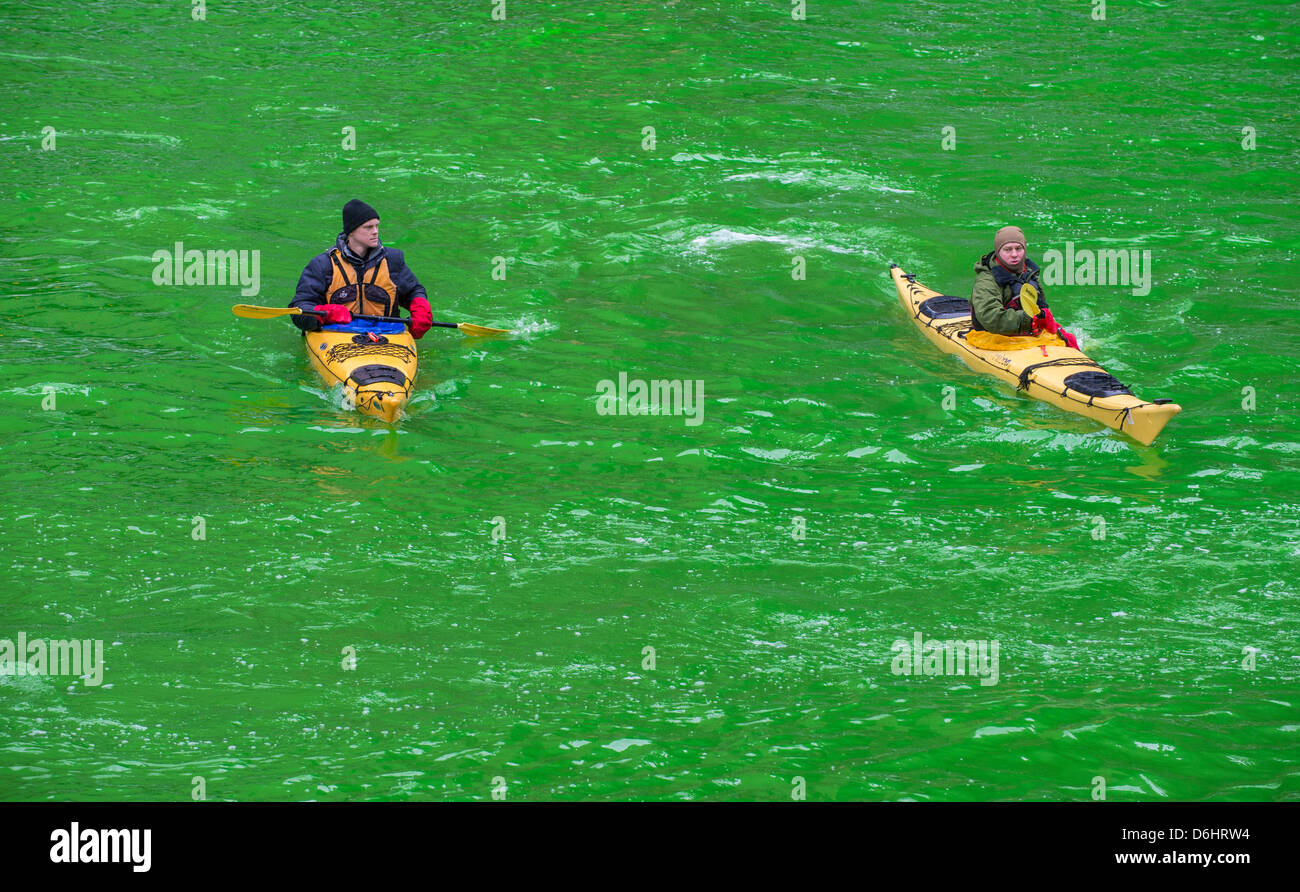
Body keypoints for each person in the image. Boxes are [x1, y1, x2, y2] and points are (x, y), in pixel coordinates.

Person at [290, 199, 434, 338]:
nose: (375, 232)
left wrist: (420, 306)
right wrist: (324, 313)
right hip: (335, 333)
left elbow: (414, 291)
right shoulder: (323, 264)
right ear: (351, 231)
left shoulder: (392, 261)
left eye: (377, 226)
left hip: (386, 333)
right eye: (368, 227)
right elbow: (299, 308)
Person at [970, 226, 1078, 349]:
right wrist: (1030, 320)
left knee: (1069, 339)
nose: (1014, 254)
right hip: (992, 336)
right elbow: (990, 317)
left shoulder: (1028, 273)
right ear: (998, 251)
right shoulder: (986, 280)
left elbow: (1041, 307)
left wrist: (1043, 317)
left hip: (1027, 332)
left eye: (1018, 248)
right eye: (1007, 249)